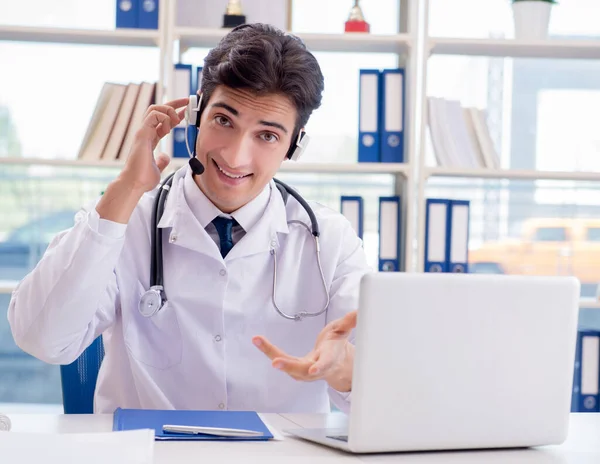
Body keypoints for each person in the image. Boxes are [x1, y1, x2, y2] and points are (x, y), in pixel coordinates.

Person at [7, 23, 370, 414]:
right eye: (224, 121)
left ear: (292, 147)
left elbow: (381, 391)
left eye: (266, 136)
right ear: (195, 113)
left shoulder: (328, 241)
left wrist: (345, 371)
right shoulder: (126, 221)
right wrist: (127, 188)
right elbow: (42, 339)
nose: (235, 157)